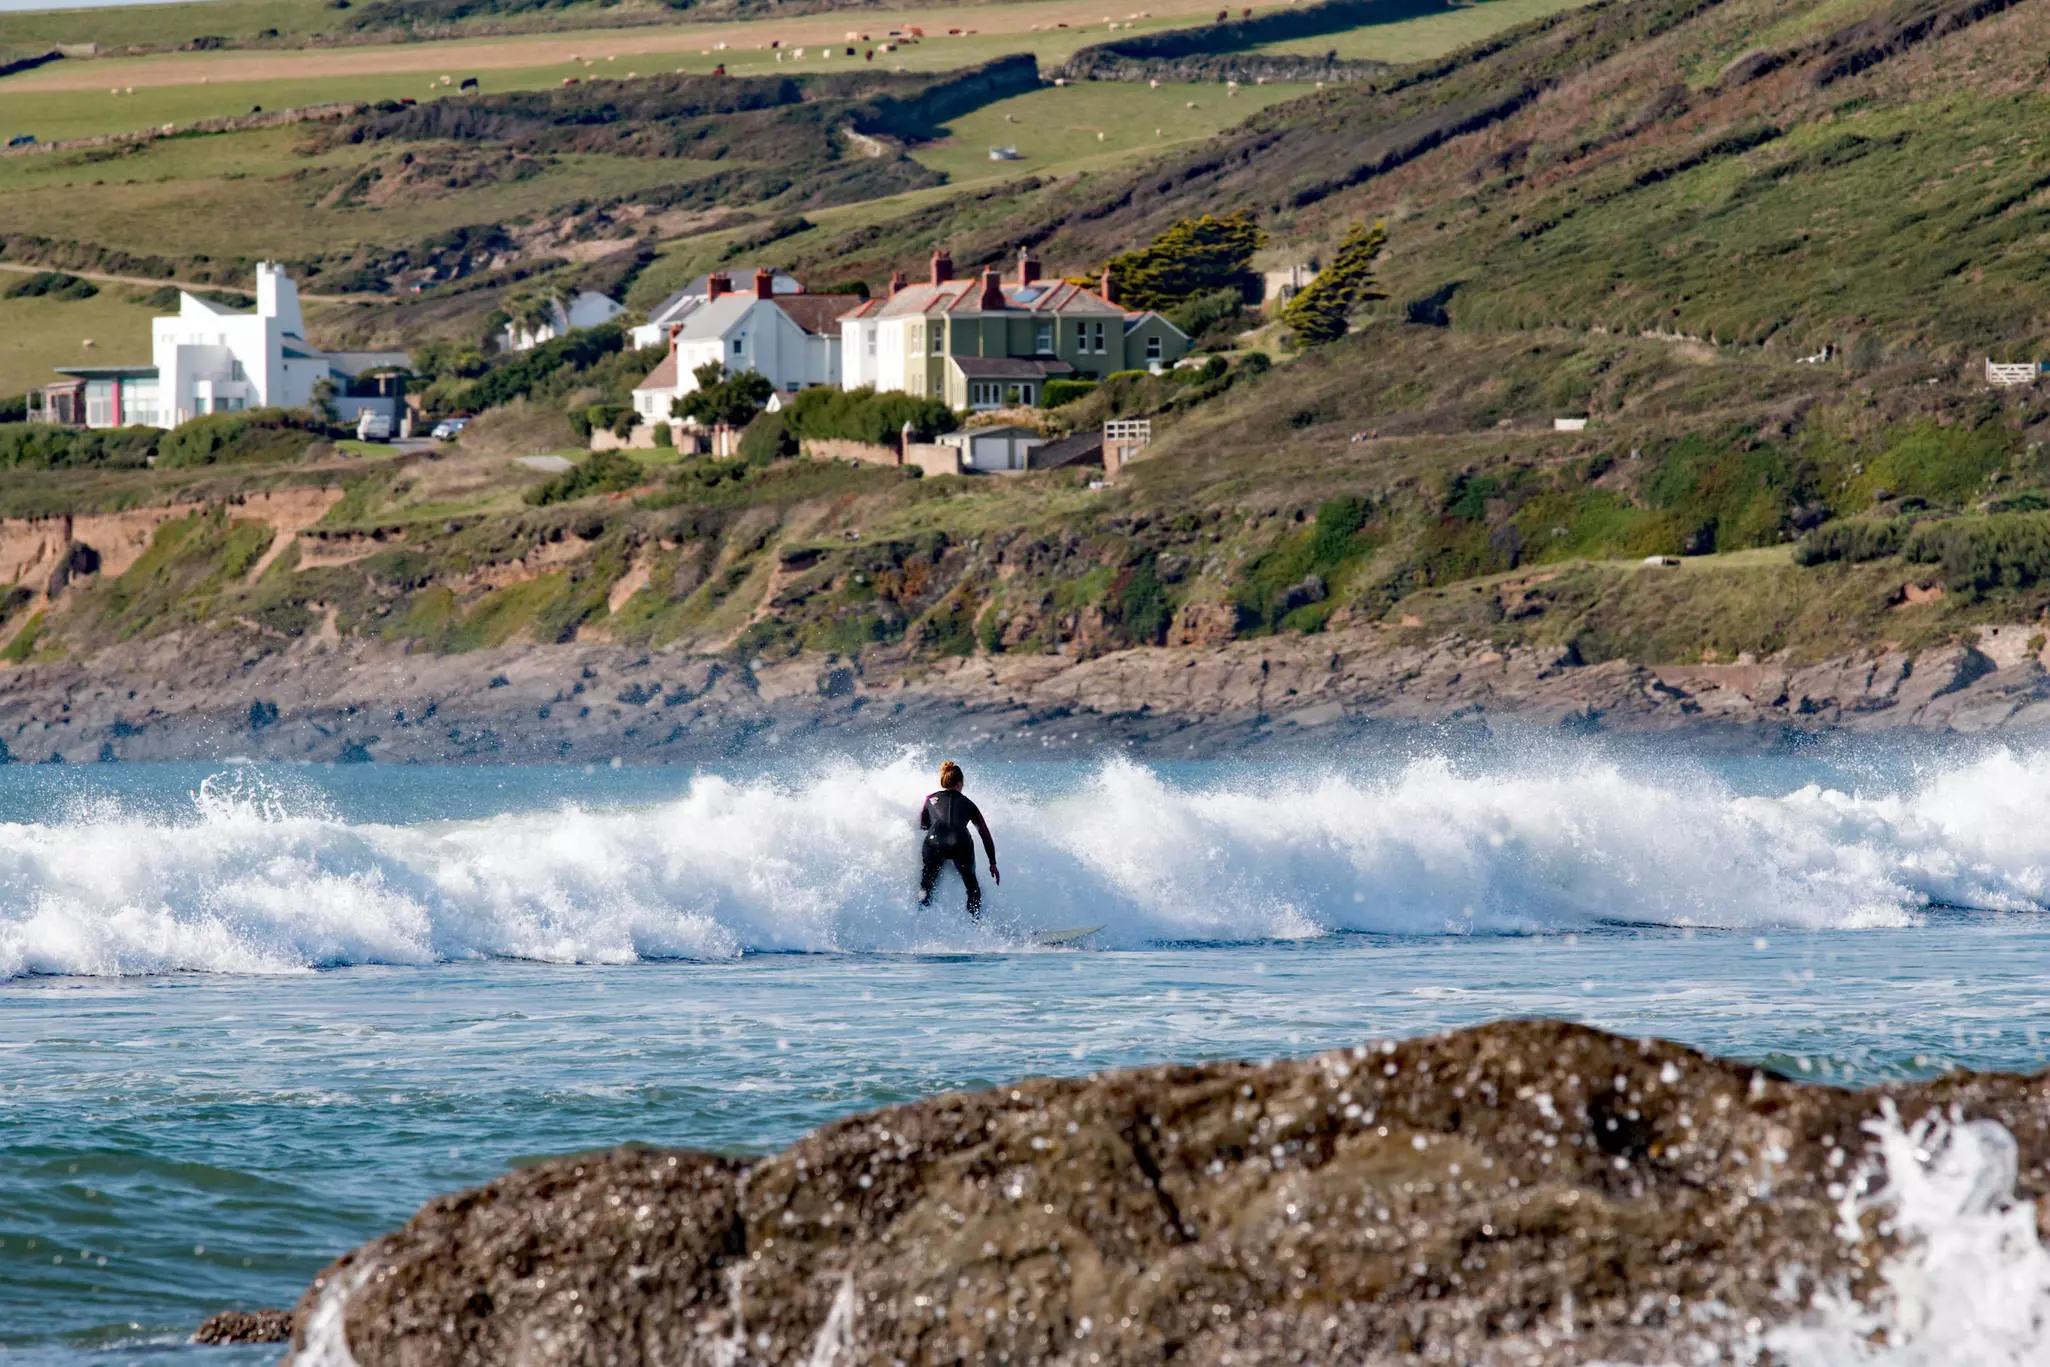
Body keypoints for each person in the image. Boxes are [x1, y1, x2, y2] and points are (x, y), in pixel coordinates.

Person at [917, 761, 998, 918]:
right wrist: (992, 863)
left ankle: (921, 923)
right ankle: (975, 924)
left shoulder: (929, 799)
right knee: (972, 887)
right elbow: (984, 833)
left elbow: (923, 826)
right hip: (960, 844)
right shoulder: (968, 803)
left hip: (934, 843)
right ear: (960, 784)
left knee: (926, 886)